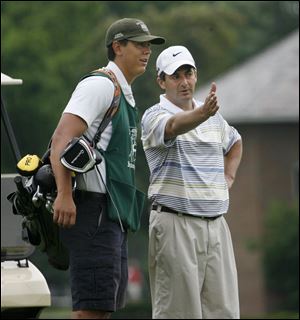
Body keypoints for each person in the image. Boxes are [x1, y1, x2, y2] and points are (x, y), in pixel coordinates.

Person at [50, 18, 165, 319]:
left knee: (102, 308)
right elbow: (61, 138)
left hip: (111, 215)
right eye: (139, 44)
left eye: (148, 46)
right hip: (92, 211)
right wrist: (65, 194)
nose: (146, 51)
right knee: (90, 310)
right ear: (117, 47)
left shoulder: (123, 92)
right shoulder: (101, 84)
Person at [141, 45, 243, 319]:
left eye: (189, 73)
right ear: (161, 81)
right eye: (176, 76)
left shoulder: (213, 118)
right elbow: (174, 127)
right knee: (179, 313)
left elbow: (235, 143)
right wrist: (203, 114)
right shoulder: (154, 116)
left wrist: (228, 178)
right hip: (176, 224)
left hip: (216, 225)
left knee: (224, 312)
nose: (184, 82)